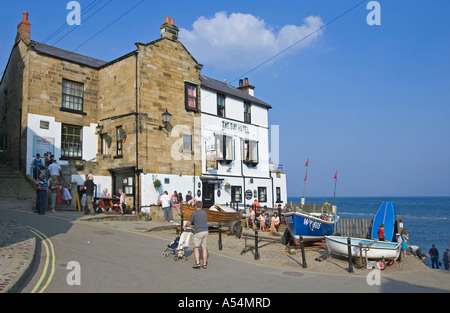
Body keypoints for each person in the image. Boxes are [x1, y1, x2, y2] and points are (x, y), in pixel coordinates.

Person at [183, 201, 208, 269]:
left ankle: (197, 263)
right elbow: (202, 222)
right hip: (205, 231)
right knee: (204, 248)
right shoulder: (205, 213)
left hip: (198, 232)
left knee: (196, 247)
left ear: (196, 206)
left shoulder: (194, 213)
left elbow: (189, 222)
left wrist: (185, 226)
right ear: (201, 206)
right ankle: (205, 264)